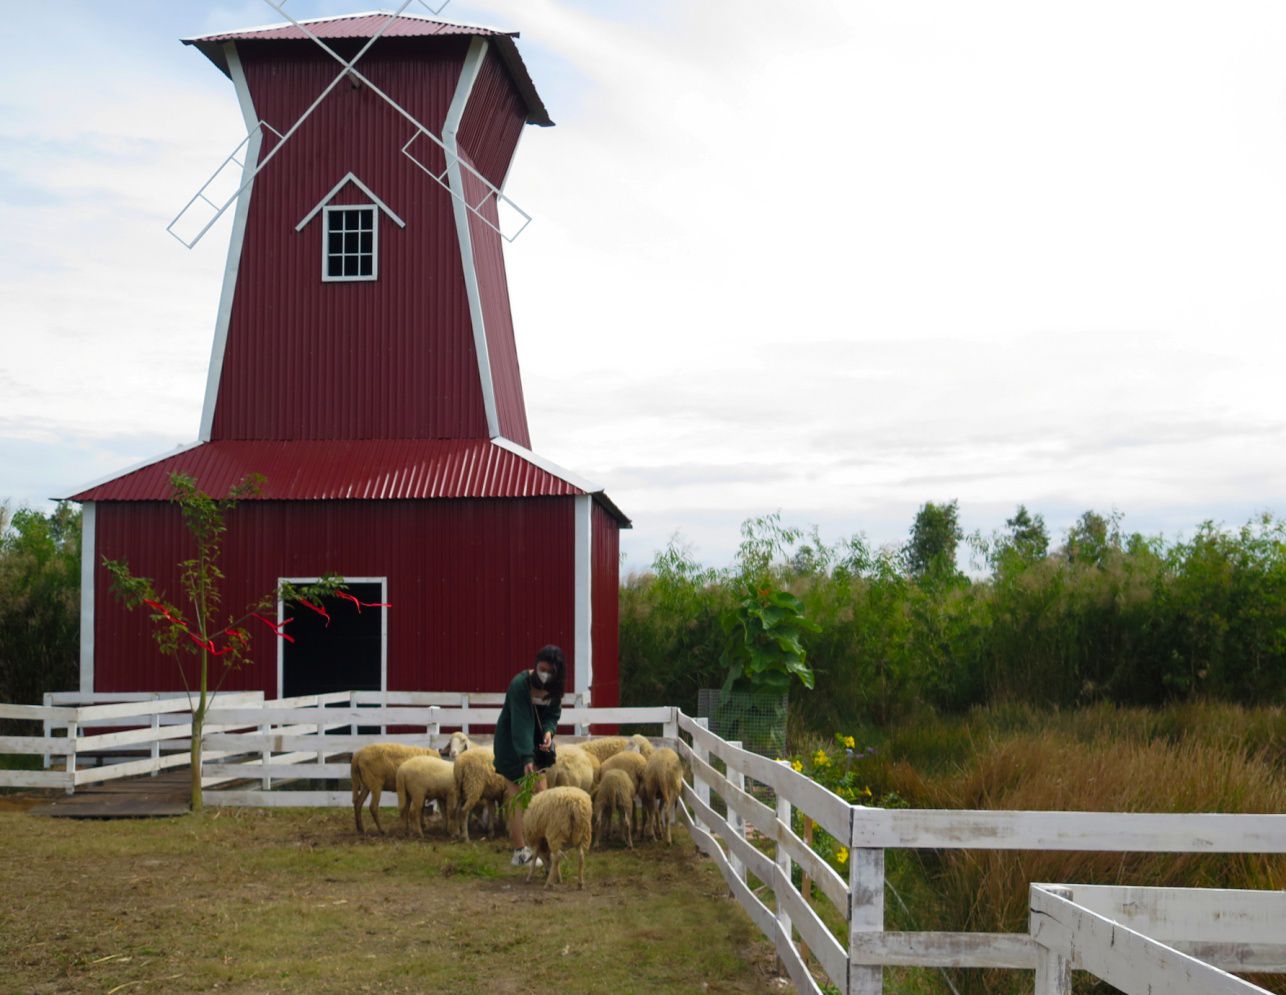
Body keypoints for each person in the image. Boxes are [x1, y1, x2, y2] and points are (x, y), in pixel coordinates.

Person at [493, 644, 565, 866]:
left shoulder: (554, 688)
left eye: (550, 671)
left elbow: (552, 714)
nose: (545, 674)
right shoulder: (520, 685)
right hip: (512, 745)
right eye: (542, 669)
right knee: (517, 794)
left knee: (541, 793)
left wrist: (549, 731)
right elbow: (521, 723)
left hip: (535, 745)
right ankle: (520, 851)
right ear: (536, 665)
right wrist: (526, 757)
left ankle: (544, 846)